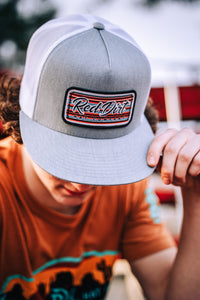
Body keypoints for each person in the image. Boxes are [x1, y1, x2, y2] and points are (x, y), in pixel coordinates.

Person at [0, 14, 199, 300]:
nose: (83, 185)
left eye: (106, 161)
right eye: (64, 158)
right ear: (19, 122)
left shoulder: (126, 188)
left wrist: (197, 197)